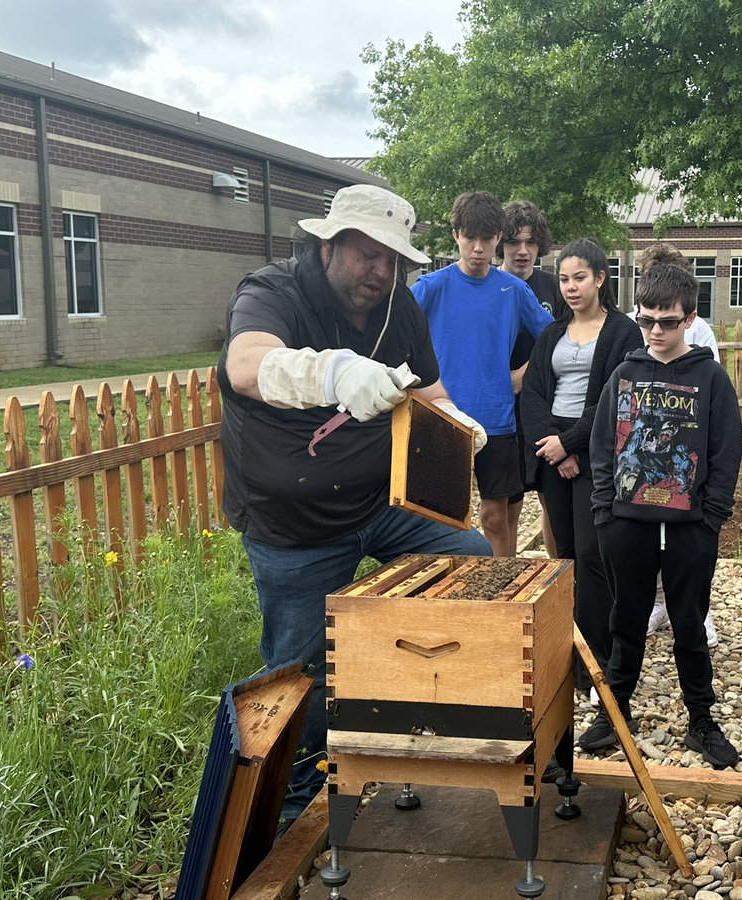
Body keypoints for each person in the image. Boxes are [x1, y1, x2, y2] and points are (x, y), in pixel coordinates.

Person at [217, 184, 493, 828]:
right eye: (366, 255)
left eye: (390, 259)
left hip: (383, 500)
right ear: (328, 245)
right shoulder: (273, 291)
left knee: (471, 558)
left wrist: (454, 420)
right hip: (294, 526)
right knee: (299, 667)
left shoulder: (400, 306)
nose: (379, 271)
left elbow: (428, 389)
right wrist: (331, 371)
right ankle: (293, 806)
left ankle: (404, 701)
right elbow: (245, 363)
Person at [585, 262, 742, 769]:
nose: (655, 331)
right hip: (626, 524)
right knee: (625, 621)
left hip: (690, 528)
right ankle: (616, 711)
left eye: (667, 321)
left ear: (689, 319)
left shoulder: (710, 378)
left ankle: (701, 718)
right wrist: (606, 511)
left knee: (689, 626)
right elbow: (603, 444)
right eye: (647, 319)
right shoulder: (626, 373)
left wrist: (711, 516)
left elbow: (726, 448)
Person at [520, 238, 643, 696]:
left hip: (599, 454)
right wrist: (555, 445)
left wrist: (572, 445)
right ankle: (570, 657)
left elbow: (617, 399)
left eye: (580, 278)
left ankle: (606, 663)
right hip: (552, 451)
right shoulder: (552, 334)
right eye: (565, 279)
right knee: (565, 556)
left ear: (600, 278)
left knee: (594, 556)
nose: (571, 287)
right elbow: (533, 394)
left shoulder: (622, 333)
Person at [413, 191, 554, 556]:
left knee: (495, 516)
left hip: (497, 419)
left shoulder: (513, 290)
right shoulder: (430, 288)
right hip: (444, 419)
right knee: (442, 518)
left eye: (487, 238)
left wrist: (524, 373)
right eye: (470, 237)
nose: (478, 247)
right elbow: (399, 338)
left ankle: (503, 595)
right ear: (456, 234)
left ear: (497, 238)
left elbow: (553, 337)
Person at [629, 244, 721, 647]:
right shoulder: (643, 328)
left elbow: (708, 386)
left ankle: (699, 613)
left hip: (684, 446)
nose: (657, 329)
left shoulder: (699, 333)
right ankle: (657, 604)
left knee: (687, 549)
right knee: (648, 540)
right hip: (647, 443)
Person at [500, 200, 565, 558]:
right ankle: (506, 587)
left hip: (546, 409)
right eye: (513, 242)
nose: (522, 251)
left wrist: (525, 374)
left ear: (540, 244)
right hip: (502, 412)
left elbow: (567, 340)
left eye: (530, 242)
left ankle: (557, 582)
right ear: (500, 243)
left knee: (551, 501)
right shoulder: (488, 285)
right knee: (506, 503)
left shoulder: (555, 288)